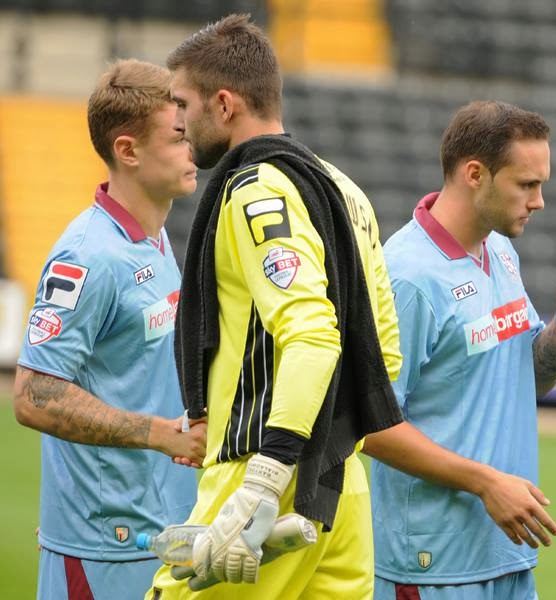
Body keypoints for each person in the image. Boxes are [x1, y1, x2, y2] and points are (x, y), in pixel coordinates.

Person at [146, 13, 404, 600]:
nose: (178, 123)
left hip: (265, 474)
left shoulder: (256, 190)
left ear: (224, 104)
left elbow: (314, 337)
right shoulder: (345, 190)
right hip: (342, 488)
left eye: (183, 104)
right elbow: (384, 352)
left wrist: (265, 477)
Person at [365, 100, 556, 599]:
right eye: (527, 184)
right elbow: (371, 426)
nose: (539, 201)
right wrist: (486, 483)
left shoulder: (500, 250)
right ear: (475, 174)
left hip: (507, 554)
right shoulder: (407, 277)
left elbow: (528, 379)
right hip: (432, 566)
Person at [13, 58, 207, 600]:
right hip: (105, 549)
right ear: (128, 150)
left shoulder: (155, 237)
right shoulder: (86, 257)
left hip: (162, 535)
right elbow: (32, 395)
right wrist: (158, 433)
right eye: (178, 136)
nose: (192, 148)